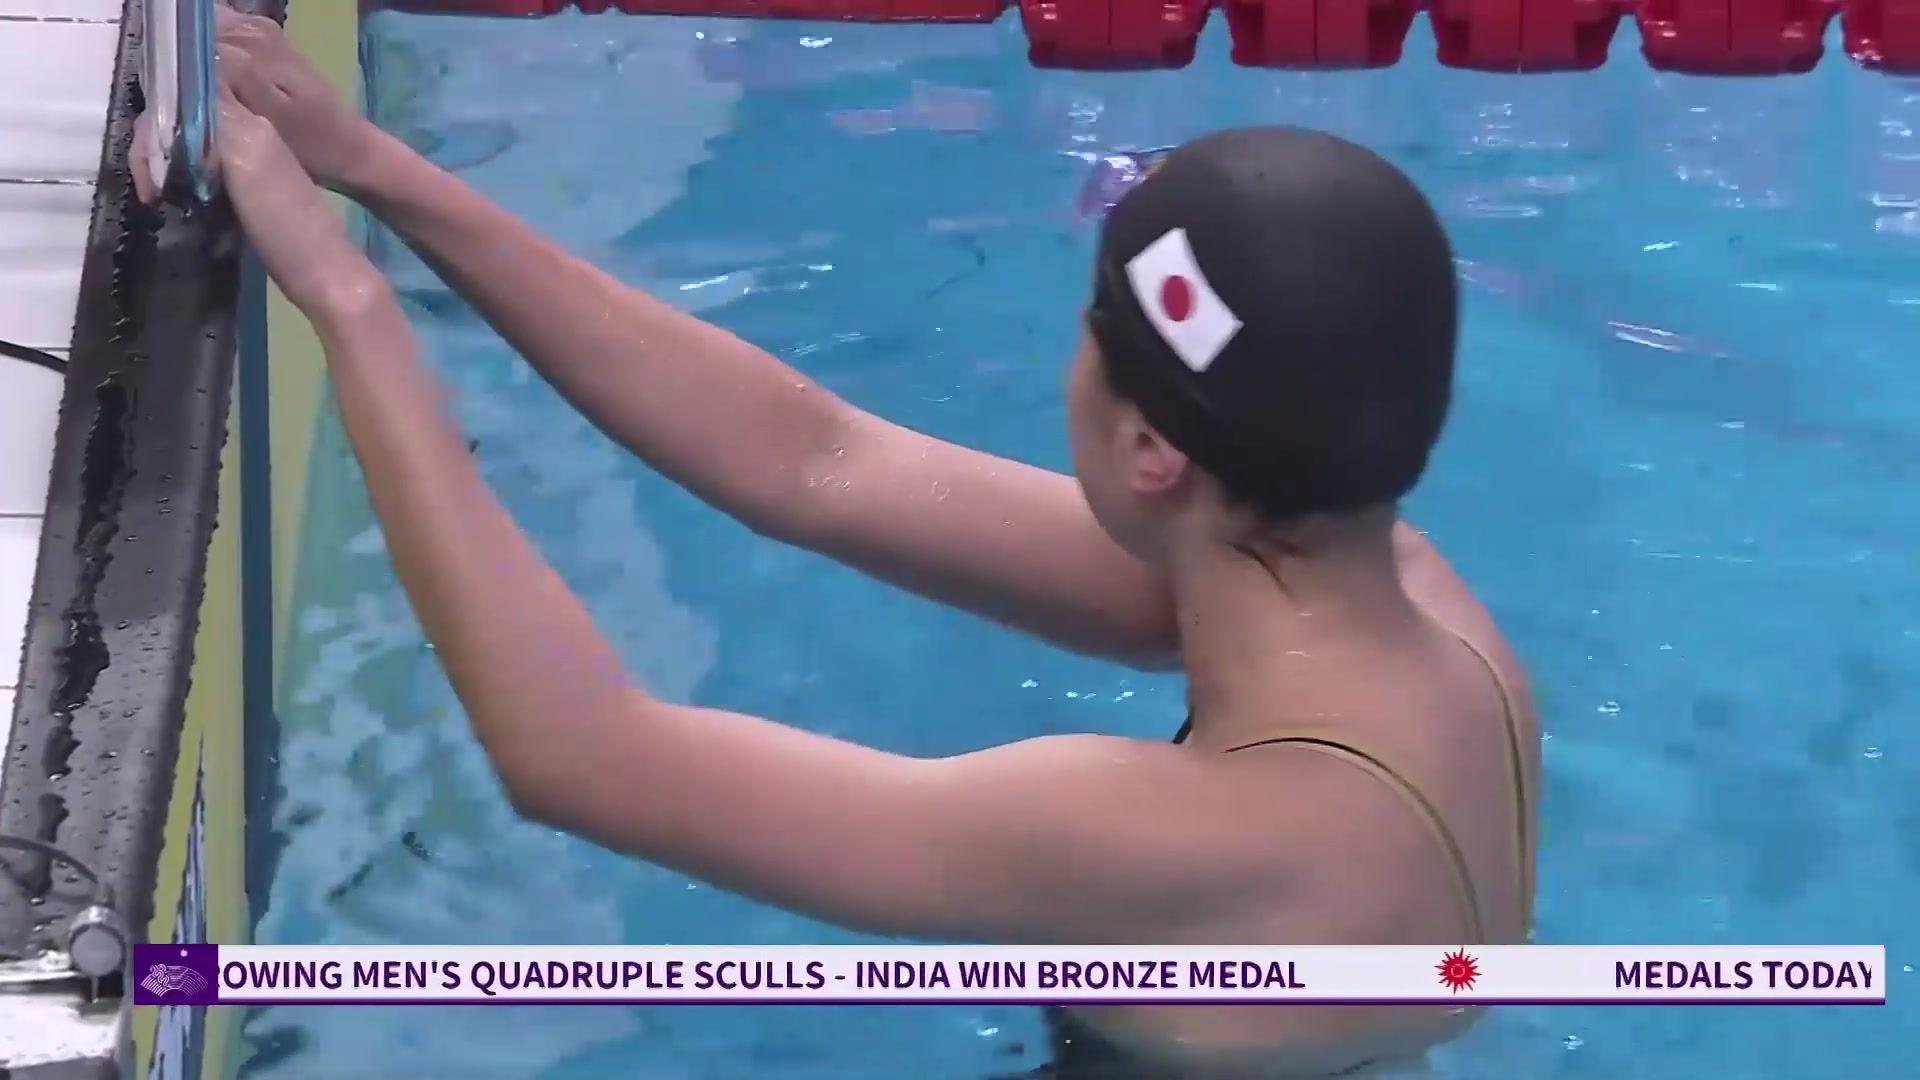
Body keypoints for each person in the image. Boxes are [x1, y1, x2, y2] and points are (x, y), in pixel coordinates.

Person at [184, 10, 1539, 1078]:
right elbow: (817, 462)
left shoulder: (1175, 830)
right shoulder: (1412, 602)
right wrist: (373, 170)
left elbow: (584, 759)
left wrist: (351, 302)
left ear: (1150, 455)